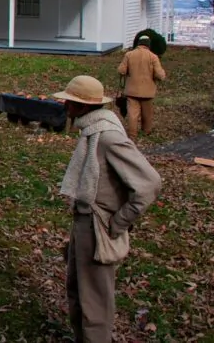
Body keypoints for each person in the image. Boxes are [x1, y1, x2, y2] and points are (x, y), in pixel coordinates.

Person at [51, 75, 162, 343]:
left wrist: (120, 221)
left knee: (94, 301)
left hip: (98, 226)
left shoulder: (108, 137)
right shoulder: (91, 131)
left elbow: (150, 183)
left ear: (82, 106)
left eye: (70, 102)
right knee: (77, 290)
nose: (65, 105)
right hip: (83, 222)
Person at [117, 35, 166, 138]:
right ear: (148, 44)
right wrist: (161, 75)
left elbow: (121, 70)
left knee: (132, 114)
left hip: (132, 91)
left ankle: (132, 134)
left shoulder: (129, 55)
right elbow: (159, 75)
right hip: (148, 91)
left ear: (139, 43)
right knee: (147, 113)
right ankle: (146, 131)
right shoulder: (153, 57)